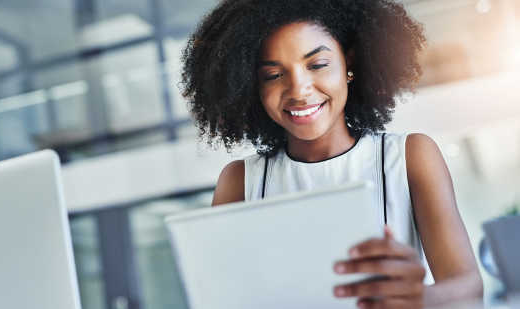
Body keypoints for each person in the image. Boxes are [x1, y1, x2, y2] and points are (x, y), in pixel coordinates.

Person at [180, 0, 483, 308]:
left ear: (348, 64)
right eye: (273, 75)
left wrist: (419, 299)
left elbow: (468, 289)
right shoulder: (240, 181)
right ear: (250, 86)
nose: (299, 89)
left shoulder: (408, 156)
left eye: (317, 65)